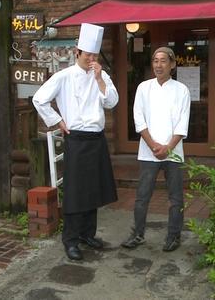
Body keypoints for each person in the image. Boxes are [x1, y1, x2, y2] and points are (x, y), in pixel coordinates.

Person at [32, 23, 119, 261]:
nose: (91, 58)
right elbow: (39, 99)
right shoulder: (64, 76)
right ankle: (70, 239)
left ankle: (87, 235)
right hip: (77, 139)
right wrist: (57, 120)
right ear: (76, 52)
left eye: (94, 54)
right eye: (87, 54)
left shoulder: (101, 75)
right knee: (75, 191)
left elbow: (111, 102)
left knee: (94, 189)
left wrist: (100, 78)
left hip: (96, 139)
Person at [121, 47, 191, 252]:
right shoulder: (143, 87)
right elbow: (138, 118)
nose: (158, 65)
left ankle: (173, 236)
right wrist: (153, 144)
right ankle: (138, 234)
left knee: (176, 197)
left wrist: (168, 147)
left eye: (163, 61)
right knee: (142, 196)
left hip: (173, 151)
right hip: (148, 151)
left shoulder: (182, 90)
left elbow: (182, 123)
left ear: (173, 64)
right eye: (155, 61)